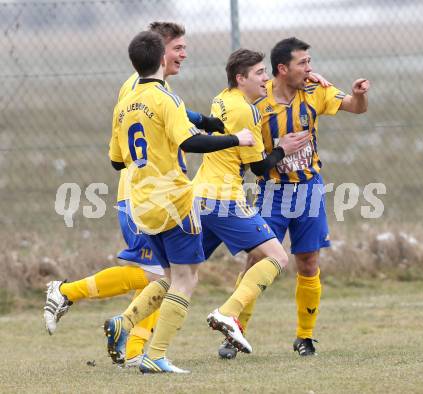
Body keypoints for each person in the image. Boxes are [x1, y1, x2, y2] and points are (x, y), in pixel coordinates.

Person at [43, 22, 224, 368]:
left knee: (160, 275)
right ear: (159, 51)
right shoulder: (140, 89)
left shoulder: (154, 87)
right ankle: (69, 295)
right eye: (178, 48)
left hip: (148, 195)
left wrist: (204, 119)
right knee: (157, 275)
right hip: (144, 195)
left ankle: (133, 343)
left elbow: (176, 115)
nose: (184, 55)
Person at [104, 30, 255, 373]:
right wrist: (237, 138)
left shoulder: (125, 102)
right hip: (173, 200)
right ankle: (156, 356)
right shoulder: (165, 99)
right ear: (161, 59)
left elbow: (116, 161)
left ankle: (124, 323)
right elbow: (190, 144)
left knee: (170, 276)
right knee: (187, 280)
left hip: (141, 203)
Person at [221, 37, 369, 359]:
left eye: (310, 61)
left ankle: (305, 337)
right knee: (257, 260)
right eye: (303, 63)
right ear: (282, 69)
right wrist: (279, 150)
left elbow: (356, 109)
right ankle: (234, 331)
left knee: (308, 262)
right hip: (272, 192)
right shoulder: (257, 104)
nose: (310, 68)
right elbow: (251, 160)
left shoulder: (315, 91)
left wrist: (358, 95)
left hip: (309, 190)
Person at [190, 49, 305, 353]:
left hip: (198, 195)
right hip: (224, 198)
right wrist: (282, 148)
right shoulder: (247, 111)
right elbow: (257, 168)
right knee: (277, 257)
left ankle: (125, 323)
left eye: (267, 72)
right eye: (259, 73)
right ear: (241, 78)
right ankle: (227, 313)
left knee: (177, 271)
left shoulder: (221, 98)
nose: (266, 79)